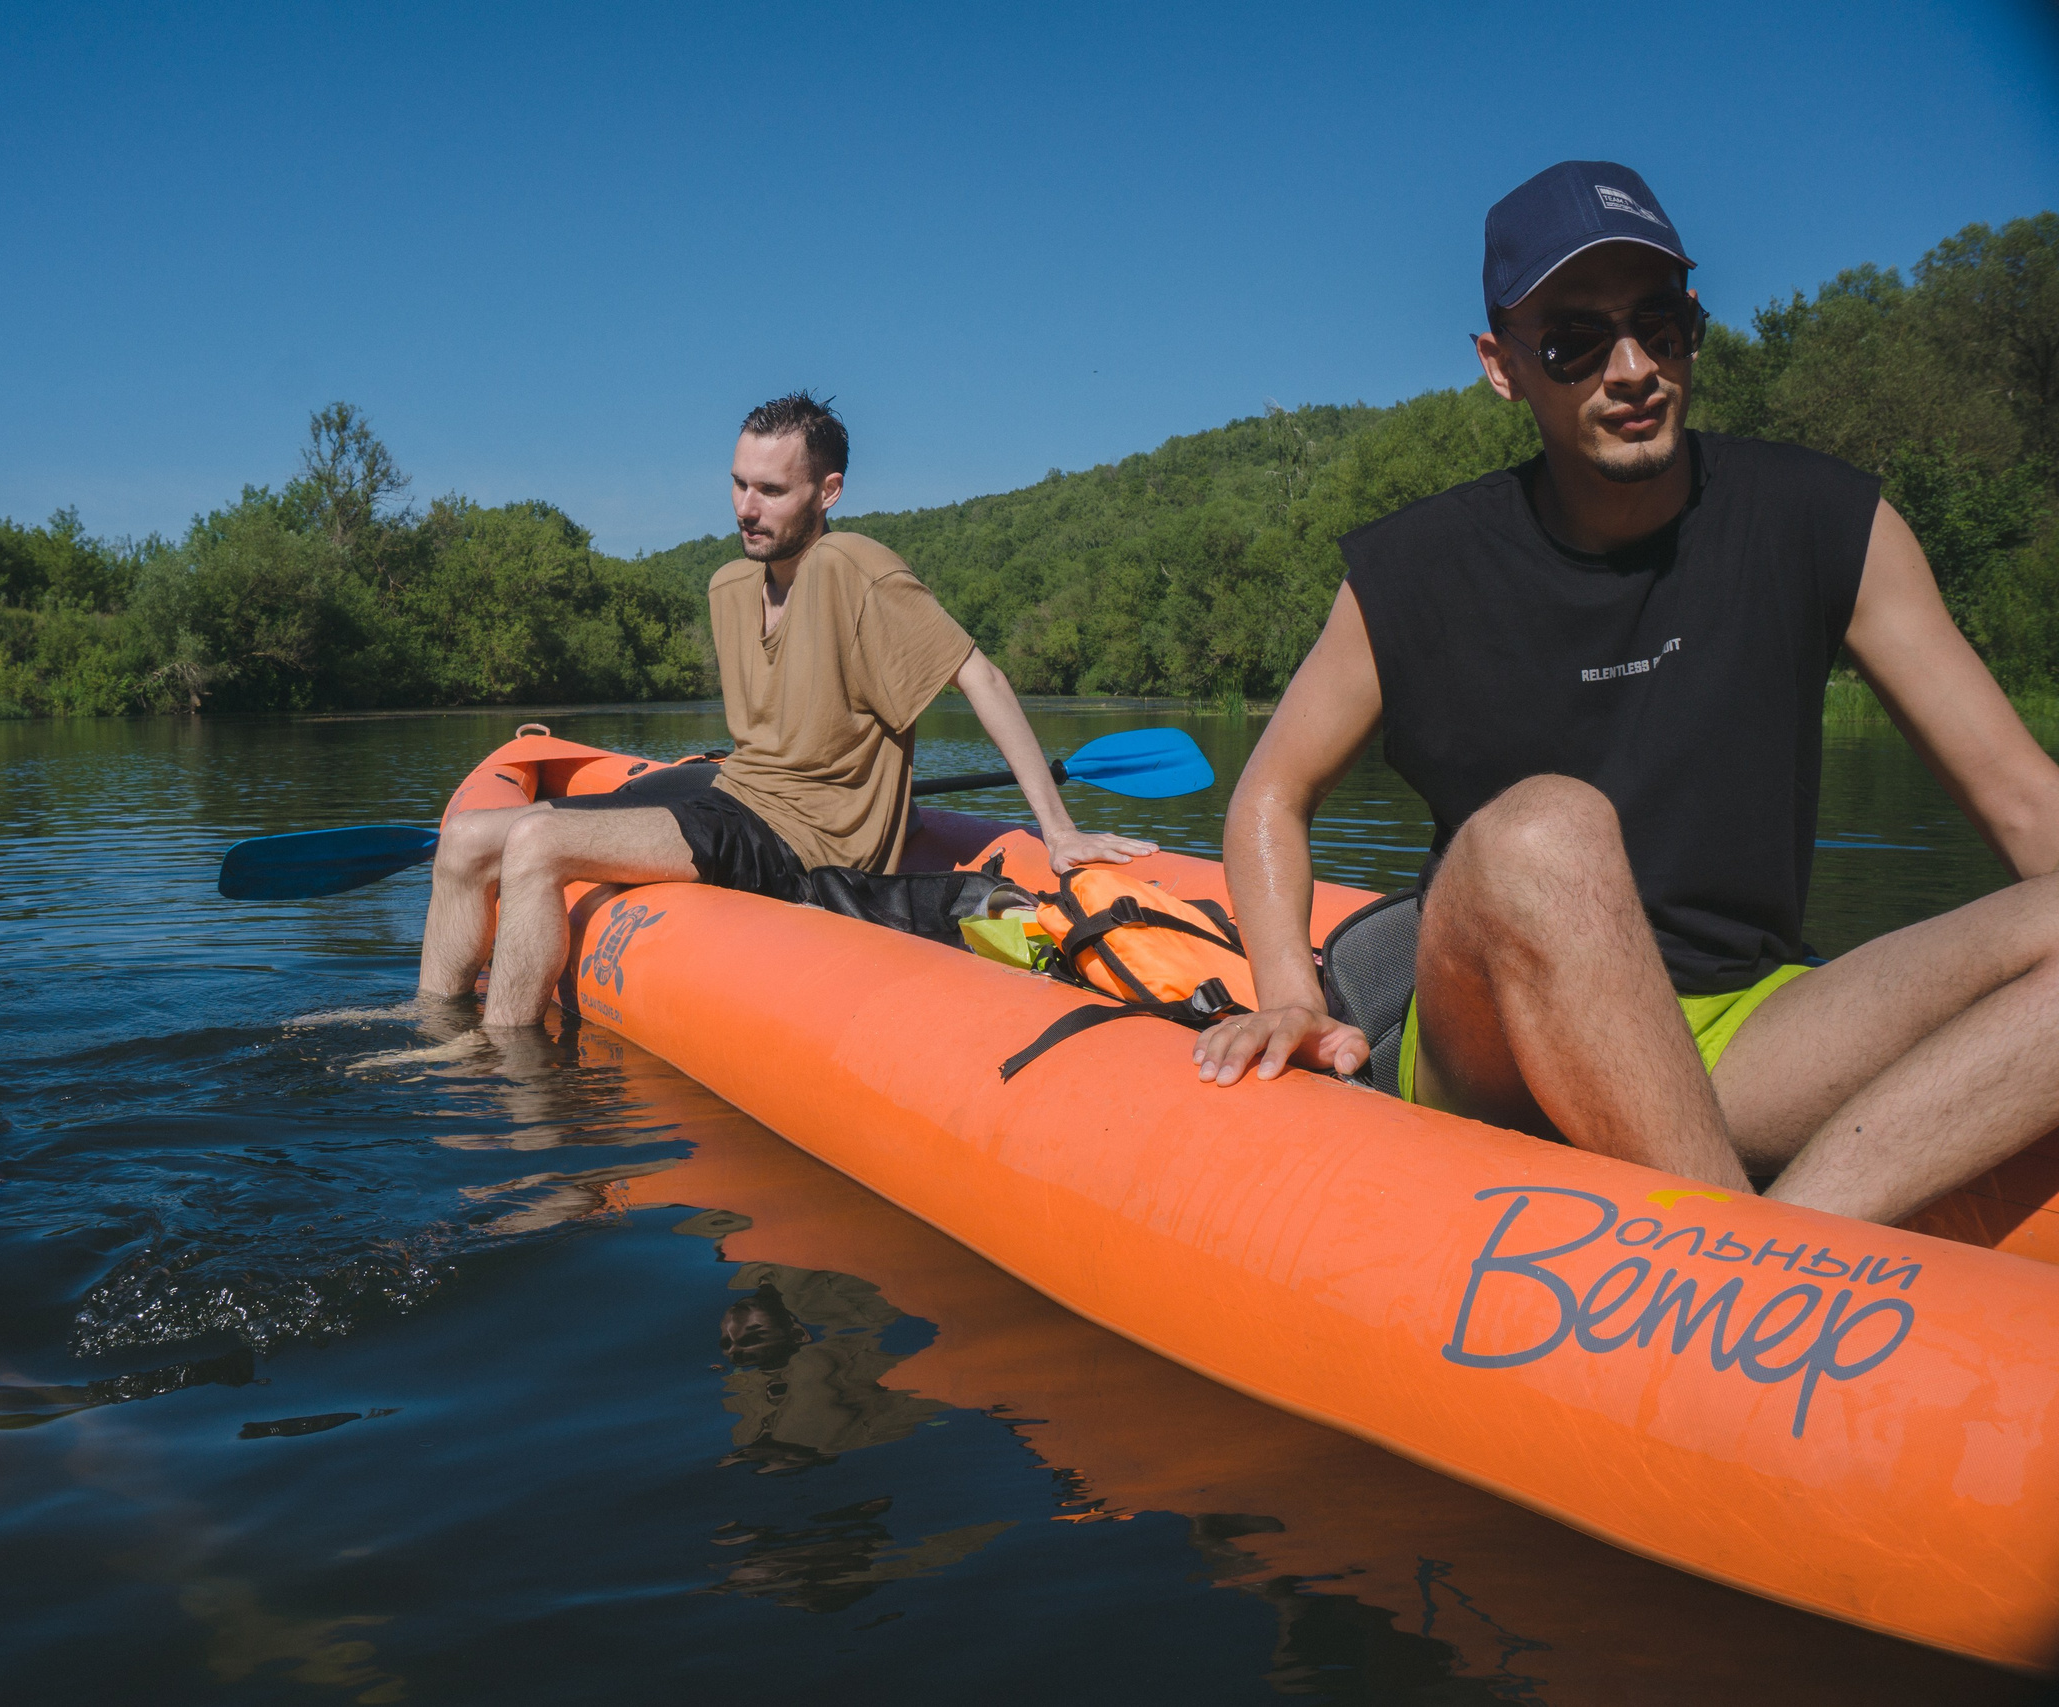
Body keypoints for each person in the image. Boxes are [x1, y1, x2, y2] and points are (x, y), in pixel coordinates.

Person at [1194, 160, 2059, 1227]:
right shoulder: (1412, 569)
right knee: (1545, 830)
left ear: (1693, 326)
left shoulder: (1827, 521)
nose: (1632, 368)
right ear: (1503, 364)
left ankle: (1798, 1237)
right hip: (1493, 1042)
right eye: (1574, 340)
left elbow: (2025, 799)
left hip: (1745, 1031)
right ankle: (1738, 1250)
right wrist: (1286, 993)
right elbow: (1271, 792)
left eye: (1660, 324)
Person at [418, 392, 1154, 1027]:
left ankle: (502, 1067)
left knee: (536, 846)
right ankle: (436, 1030)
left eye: (771, 489)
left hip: (803, 842)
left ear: (827, 491)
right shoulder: (729, 587)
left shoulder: (854, 568)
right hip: (738, 800)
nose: (746, 507)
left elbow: (981, 677)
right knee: (465, 838)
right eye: (739, 483)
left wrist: (1059, 832)